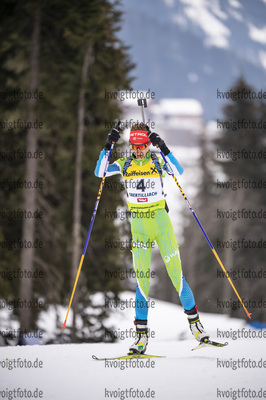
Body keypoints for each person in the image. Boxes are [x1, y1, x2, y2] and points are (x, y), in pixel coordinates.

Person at [95, 122, 209, 354]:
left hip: (160, 222)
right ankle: (141, 339)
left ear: (148, 144)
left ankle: (196, 327)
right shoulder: (124, 164)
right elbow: (100, 171)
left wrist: (163, 147)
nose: (138, 151)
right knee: (142, 282)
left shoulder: (157, 161)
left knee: (176, 276)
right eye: (135, 146)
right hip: (138, 225)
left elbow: (178, 171)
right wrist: (109, 144)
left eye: (143, 146)